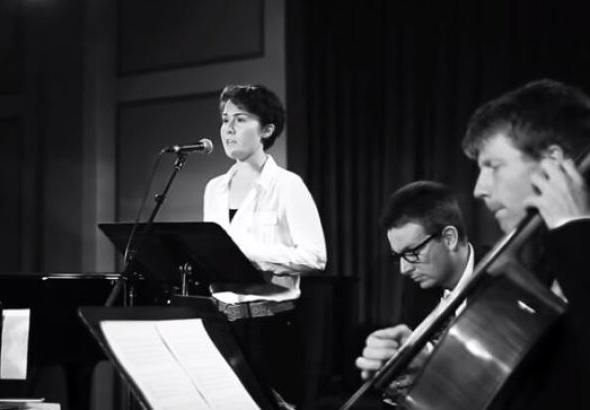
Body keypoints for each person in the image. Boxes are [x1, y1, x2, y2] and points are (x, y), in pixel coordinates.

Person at [357, 79, 590, 408]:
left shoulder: (572, 252)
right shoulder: (544, 263)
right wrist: (429, 362)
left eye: (493, 166)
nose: (479, 188)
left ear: (553, 162)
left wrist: (575, 233)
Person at [203, 84, 327, 406]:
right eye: (225, 119)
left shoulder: (287, 185)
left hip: (268, 325)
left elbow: (315, 257)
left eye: (240, 119)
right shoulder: (214, 189)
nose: (228, 128)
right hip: (220, 323)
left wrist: (249, 256)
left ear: (267, 129)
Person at [355, 181, 476, 400]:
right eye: (398, 256)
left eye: (412, 253)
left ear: (449, 239)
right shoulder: (416, 289)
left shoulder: (503, 285)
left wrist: (430, 360)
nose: (404, 269)